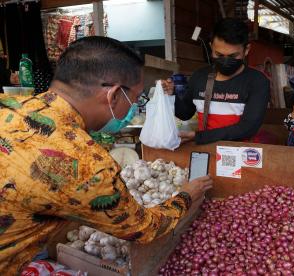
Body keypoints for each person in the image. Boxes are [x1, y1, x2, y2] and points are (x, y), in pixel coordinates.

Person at [0, 36, 213, 274]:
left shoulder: (7, 105)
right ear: (112, 96)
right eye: (135, 98)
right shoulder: (86, 163)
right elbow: (144, 228)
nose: (133, 107)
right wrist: (186, 195)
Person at [163, 18, 270, 145]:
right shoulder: (199, 77)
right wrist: (172, 95)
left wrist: (200, 137)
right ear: (211, 47)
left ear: (246, 50)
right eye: (219, 55)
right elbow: (185, 114)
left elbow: (247, 128)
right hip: (206, 152)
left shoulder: (257, 82)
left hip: (241, 155)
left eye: (233, 56)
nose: (225, 61)